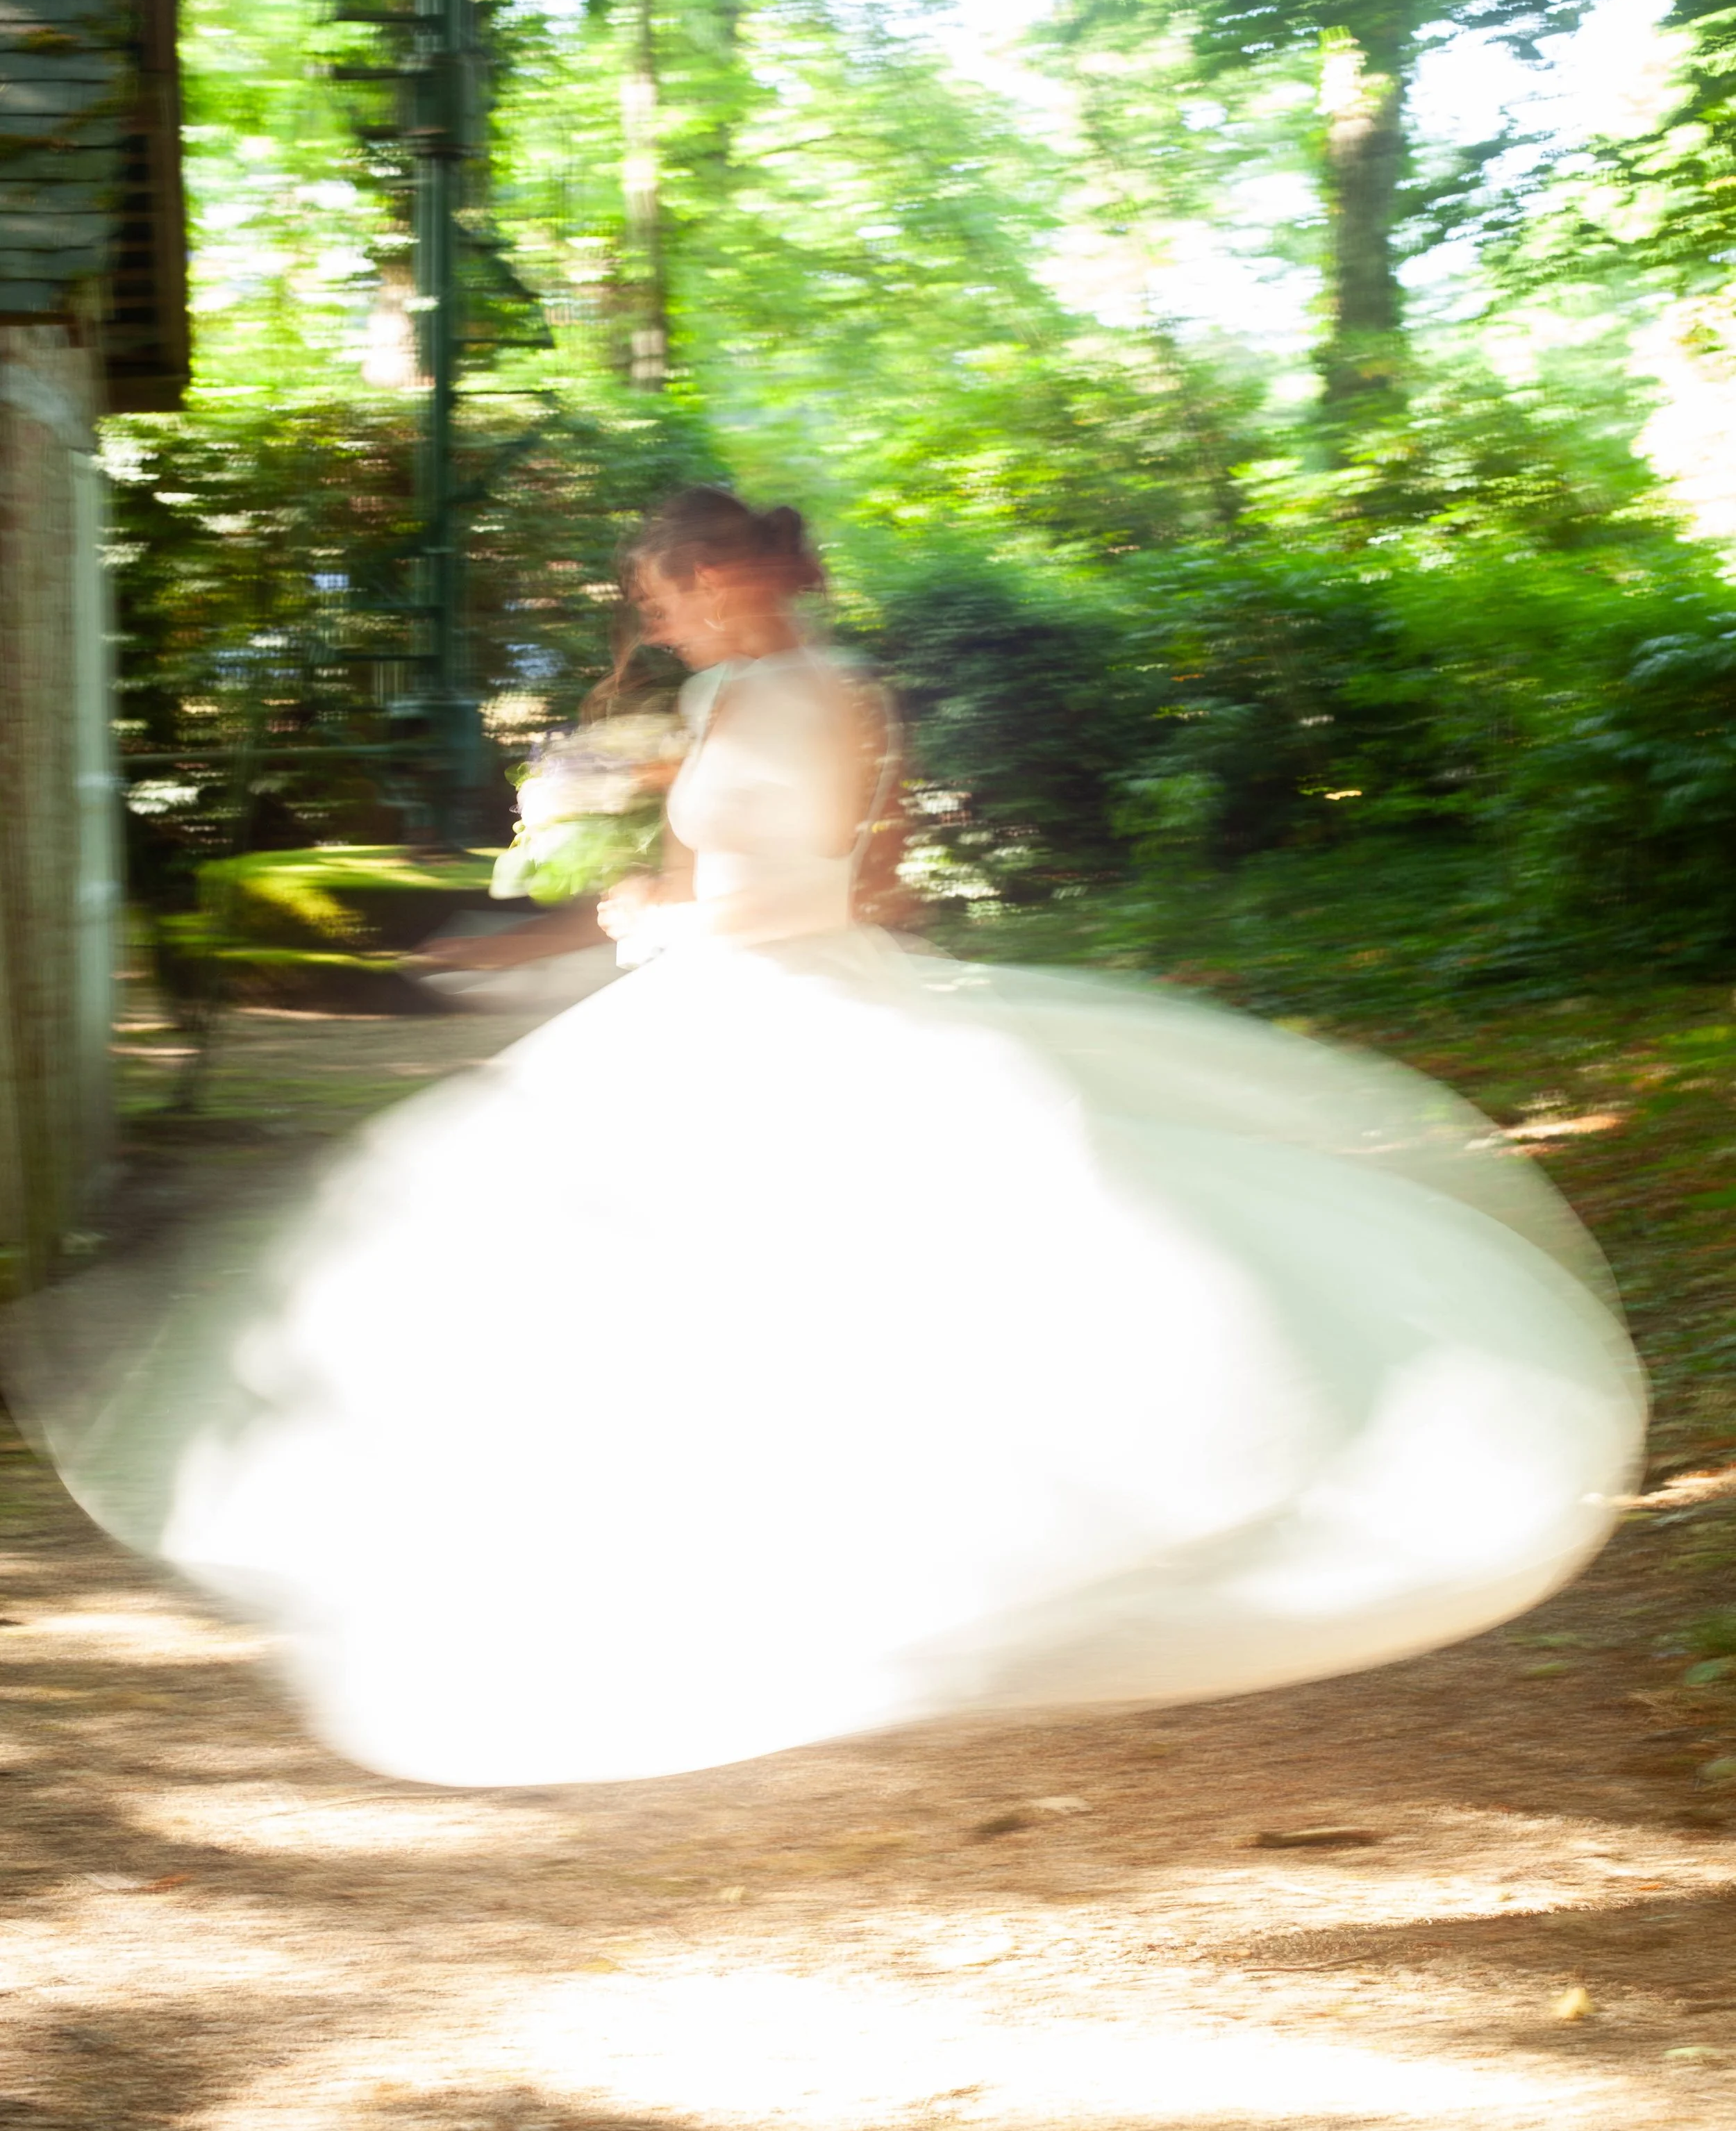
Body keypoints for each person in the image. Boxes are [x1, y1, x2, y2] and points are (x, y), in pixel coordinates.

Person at [11, 487, 1645, 1788]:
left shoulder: (795, 699)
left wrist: (600, 919)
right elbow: (854, 883)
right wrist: (615, 898)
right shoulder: (761, 692)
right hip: (764, 985)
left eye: (663, 596)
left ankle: (885, 1567)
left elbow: (797, 892)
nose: (653, 624)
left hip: (770, 999)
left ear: (726, 582)